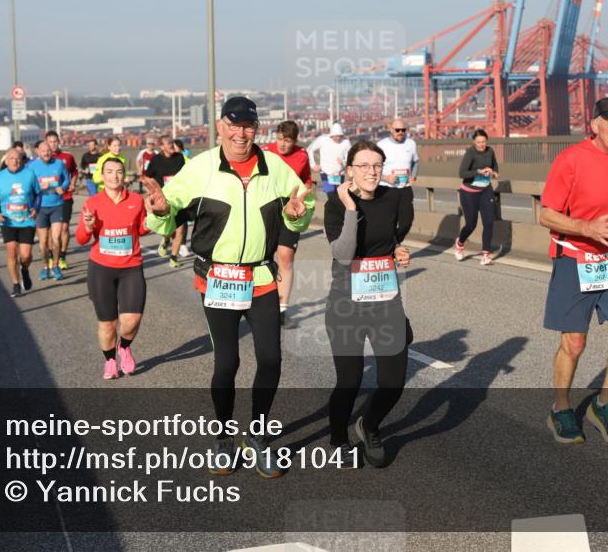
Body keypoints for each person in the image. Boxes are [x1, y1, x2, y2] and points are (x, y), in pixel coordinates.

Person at [144, 96, 314, 479]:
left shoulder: (276, 167)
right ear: (220, 127)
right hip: (218, 279)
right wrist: (158, 211)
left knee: (271, 359)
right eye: (233, 125)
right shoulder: (200, 167)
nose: (241, 133)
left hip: (261, 278)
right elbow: (166, 212)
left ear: (257, 129)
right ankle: (222, 439)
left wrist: (296, 217)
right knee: (228, 362)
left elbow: (302, 205)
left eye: (248, 126)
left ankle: (257, 438)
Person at [538, 96, 608, 446]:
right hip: (575, 256)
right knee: (574, 342)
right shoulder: (571, 159)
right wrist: (588, 229)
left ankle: (604, 404)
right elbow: (546, 215)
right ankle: (561, 407)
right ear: (594, 124)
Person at [324, 140, 414, 468]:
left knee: (393, 382)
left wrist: (396, 252)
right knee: (349, 382)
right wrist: (350, 208)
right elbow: (344, 254)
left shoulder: (392, 198)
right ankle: (337, 439)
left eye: (376, 165)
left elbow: (389, 241)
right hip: (345, 304)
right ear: (350, 170)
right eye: (363, 166)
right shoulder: (336, 204)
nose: (371, 172)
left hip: (385, 301)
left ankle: (369, 425)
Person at [76, 157, 149, 380]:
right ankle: (109, 361)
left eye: (118, 171)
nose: (114, 176)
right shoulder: (92, 202)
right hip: (101, 269)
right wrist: (88, 227)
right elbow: (80, 239)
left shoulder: (136, 200)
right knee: (108, 323)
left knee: (132, 320)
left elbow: (142, 230)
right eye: (109, 171)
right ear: (102, 175)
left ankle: (124, 347)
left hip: (131, 267)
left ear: (124, 175)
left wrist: (153, 217)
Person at [262, 120, 313, 329]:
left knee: (286, 257)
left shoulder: (302, 155)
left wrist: (303, 203)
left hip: (290, 211)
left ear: (295, 140)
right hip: (267, 210)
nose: (283, 144)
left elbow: (307, 181)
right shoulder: (265, 152)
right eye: (280, 139)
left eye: (288, 140)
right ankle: (259, 304)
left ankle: (282, 309)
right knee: (262, 258)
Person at [0, 148, 41, 298]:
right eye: (11, 159)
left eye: (17, 159)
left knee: (25, 255)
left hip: (26, 220)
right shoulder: (0, 177)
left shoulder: (29, 174)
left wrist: (36, 208)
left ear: (21, 160)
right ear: (6, 161)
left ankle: (25, 269)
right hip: (8, 221)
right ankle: (16, 285)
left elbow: (38, 194)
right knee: (11, 251)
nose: (15, 162)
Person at [455, 128, 500, 265]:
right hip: (469, 192)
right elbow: (462, 173)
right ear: (474, 142)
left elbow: (495, 166)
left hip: (485, 190)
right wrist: (478, 172)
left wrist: (494, 172)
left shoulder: (490, 151)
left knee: (488, 222)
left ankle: (485, 255)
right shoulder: (470, 153)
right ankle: (460, 242)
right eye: (478, 142)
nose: (481, 144)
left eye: (484, 141)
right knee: (471, 224)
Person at [26, 141, 70, 282]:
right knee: (43, 242)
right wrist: (39, 186)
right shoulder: (31, 166)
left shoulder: (59, 164)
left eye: (48, 150)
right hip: (40, 207)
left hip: (57, 205)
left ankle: (55, 266)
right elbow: (27, 185)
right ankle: (46, 266)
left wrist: (62, 187)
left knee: (56, 239)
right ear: (38, 151)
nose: (46, 153)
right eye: (43, 151)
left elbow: (66, 179)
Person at [144, 135, 187, 267]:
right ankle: (166, 239)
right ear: (161, 146)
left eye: (173, 143)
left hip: (180, 198)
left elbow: (187, 174)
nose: (172, 145)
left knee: (180, 229)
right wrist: (152, 192)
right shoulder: (156, 160)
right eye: (168, 143)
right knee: (170, 228)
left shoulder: (179, 158)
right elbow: (147, 177)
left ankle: (173, 257)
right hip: (164, 200)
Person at [46, 131, 78, 270]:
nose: (53, 144)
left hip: (65, 197)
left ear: (59, 142)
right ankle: (52, 256)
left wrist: (72, 183)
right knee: (50, 231)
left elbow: (75, 171)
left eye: (55, 141)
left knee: (64, 228)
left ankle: (63, 256)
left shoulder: (67, 157)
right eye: (50, 142)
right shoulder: (42, 159)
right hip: (48, 198)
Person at [377, 119, 419, 190]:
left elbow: (415, 162)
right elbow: (373, 168)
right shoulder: (381, 145)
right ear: (391, 130)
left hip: (406, 189)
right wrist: (385, 178)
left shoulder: (411, 144)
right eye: (397, 130)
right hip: (386, 188)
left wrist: (413, 176)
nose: (400, 132)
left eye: (403, 130)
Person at [307, 123, 351, 193]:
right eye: (336, 136)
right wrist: (313, 165)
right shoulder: (323, 140)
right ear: (331, 135)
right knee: (331, 195)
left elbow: (349, 157)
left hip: (339, 175)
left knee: (339, 197)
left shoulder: (346, 143)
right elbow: (310, 149)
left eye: (340, 136)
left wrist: (343, 162)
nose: (338, 138)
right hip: (326, 174)